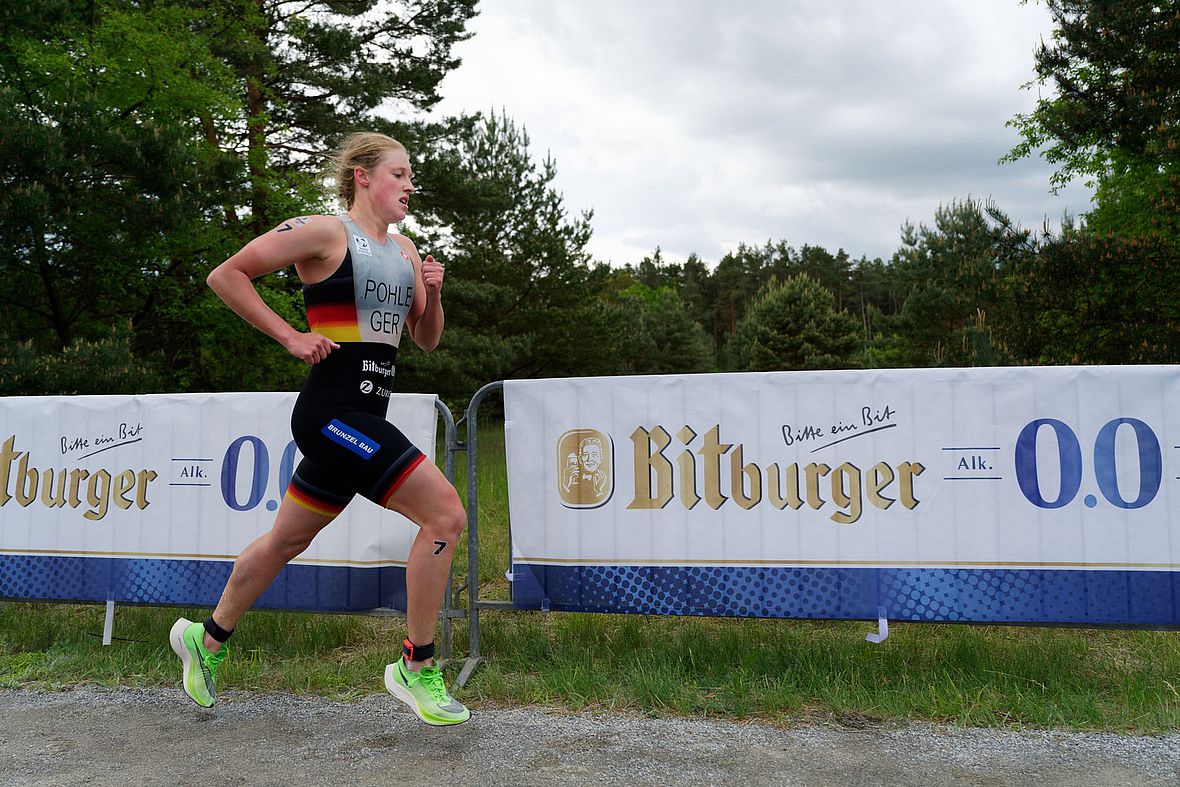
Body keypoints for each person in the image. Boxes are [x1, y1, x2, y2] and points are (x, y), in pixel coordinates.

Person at [169, 132, 469, 726]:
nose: (411, 185)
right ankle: (417, 664)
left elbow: (425, 340)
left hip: (364, 417)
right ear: (362, 176)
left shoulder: (407, 252)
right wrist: (290, 335)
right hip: (332, 416)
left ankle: (205, 641)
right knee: (445, 516)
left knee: (286, 541)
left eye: (411, 177)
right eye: (400, 174)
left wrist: (432, 297)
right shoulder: (326, 232)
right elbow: (226, 275)